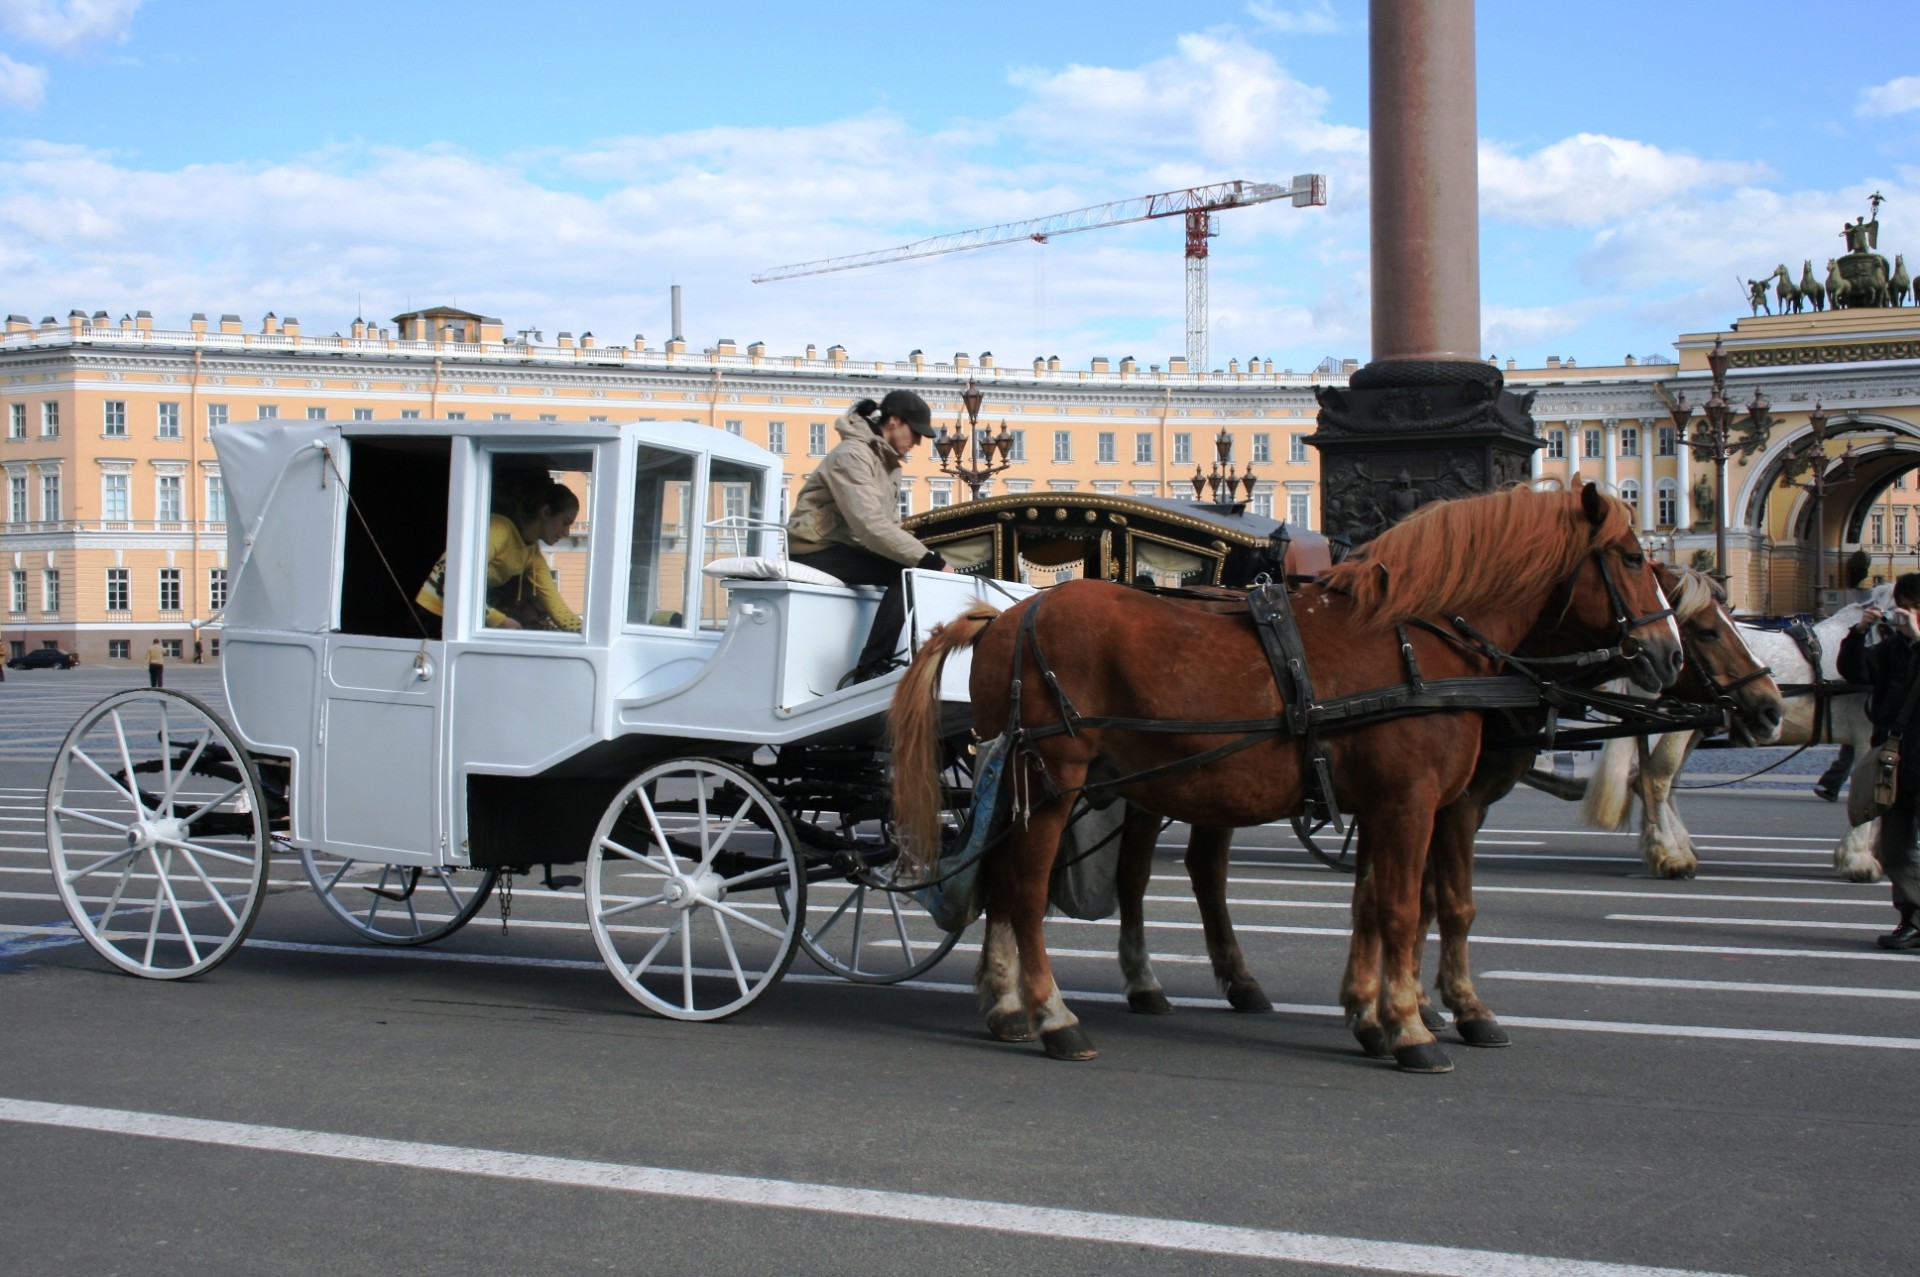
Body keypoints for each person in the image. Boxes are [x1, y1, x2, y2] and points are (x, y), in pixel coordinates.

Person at [786, 391, 954, 685]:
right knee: (907, 572)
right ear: (894, 421)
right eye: (916, 433)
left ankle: (899, 659)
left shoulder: (886, 464)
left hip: (843, 546)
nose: (917, 442)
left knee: (913, 569)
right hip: (813, 547)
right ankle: (870, 669)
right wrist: (930, 559)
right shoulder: (852, 454)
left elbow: (889, 526)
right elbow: (870, 525)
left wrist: (926, 560)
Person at [1837, 572, 1920, 951]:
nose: (1905, 617)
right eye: (1901, 609)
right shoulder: (1891, 649)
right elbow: (1855, 672)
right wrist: (1858, 633)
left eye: (1912, 609)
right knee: (1893, 849)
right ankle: (1913, 919)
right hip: (1898, 765)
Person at [416, 480, 582, 632]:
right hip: (432, 614)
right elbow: (453, 582)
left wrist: (588, 632)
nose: (567, 532)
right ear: (545, 512)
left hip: (457, 618)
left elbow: (558, 610)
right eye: (565, 522)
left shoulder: (531, 554)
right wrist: (500, 620)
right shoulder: (499, 530)